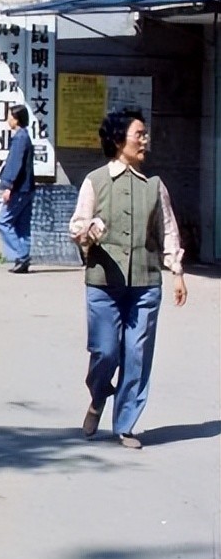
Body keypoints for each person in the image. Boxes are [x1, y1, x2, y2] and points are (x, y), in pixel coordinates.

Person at [69, 107, 187, 450]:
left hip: (146, 283)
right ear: (119, 140)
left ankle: (125, 424)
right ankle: (97, 396)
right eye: (140, 134)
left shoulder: (155, 186)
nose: (145, 141)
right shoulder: (95, 181)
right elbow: (78, 225)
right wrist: (89, 231)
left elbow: (168, 230)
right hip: (104, 282)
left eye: (145, 135)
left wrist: (177, 272)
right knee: (105, 352)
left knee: (136, 354)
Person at [0, 103, 35, 273]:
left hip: (18, 188)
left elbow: (14, 164)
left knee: (3, 221)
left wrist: (7, 186)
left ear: (16, 119)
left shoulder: (20, 138)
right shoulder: (25, 136)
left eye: (10, 116)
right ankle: (23, 261)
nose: (8, 120)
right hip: (28, 188)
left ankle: (22, 255)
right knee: (22, 227)